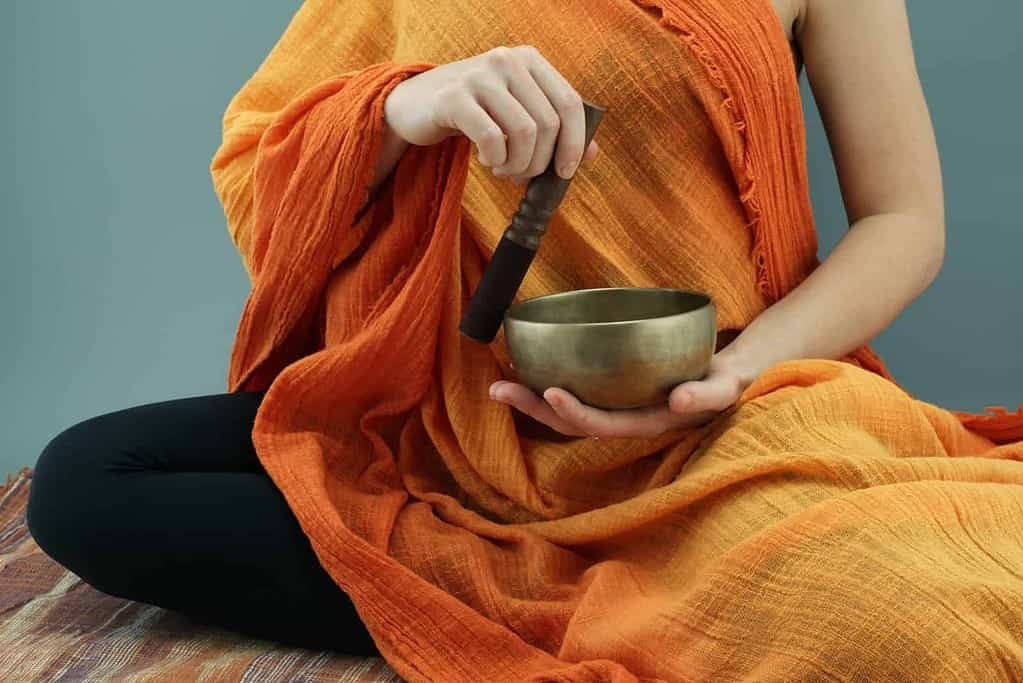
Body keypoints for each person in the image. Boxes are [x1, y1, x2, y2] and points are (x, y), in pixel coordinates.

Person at [26, 0, 1023, 680]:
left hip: (714, 413)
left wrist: (730, 373)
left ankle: (566, 584)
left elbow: (905, 218)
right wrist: (405, 109)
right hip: (447, 400)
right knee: (90, 481)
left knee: (919, 616)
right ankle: (572, 584)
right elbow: (260, 163)